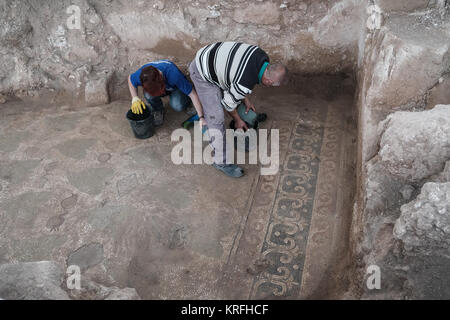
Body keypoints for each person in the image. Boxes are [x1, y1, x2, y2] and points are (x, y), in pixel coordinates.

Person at [189, 42, 288, 178]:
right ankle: (221, 162)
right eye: (272, 86)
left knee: (237, 98)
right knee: (216, 118)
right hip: (201, 72)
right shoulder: (244, 82)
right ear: (269, 81)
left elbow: (238, 75)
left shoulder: (261, 56)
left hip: (212, 59)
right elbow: (229, 104)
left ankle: (243, 114)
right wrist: (238, 120)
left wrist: (245, 99)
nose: (270, 87)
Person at [128, 60, 206, 127]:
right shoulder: (142, 75)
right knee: (148, 94)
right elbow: (130, 79)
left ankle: (187, 103)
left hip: (175, 89)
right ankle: (158, 110)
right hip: (161, 86)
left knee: (177, 105)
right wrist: (134, 98)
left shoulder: (173, 75)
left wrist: (201, 116)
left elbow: (192, 94)